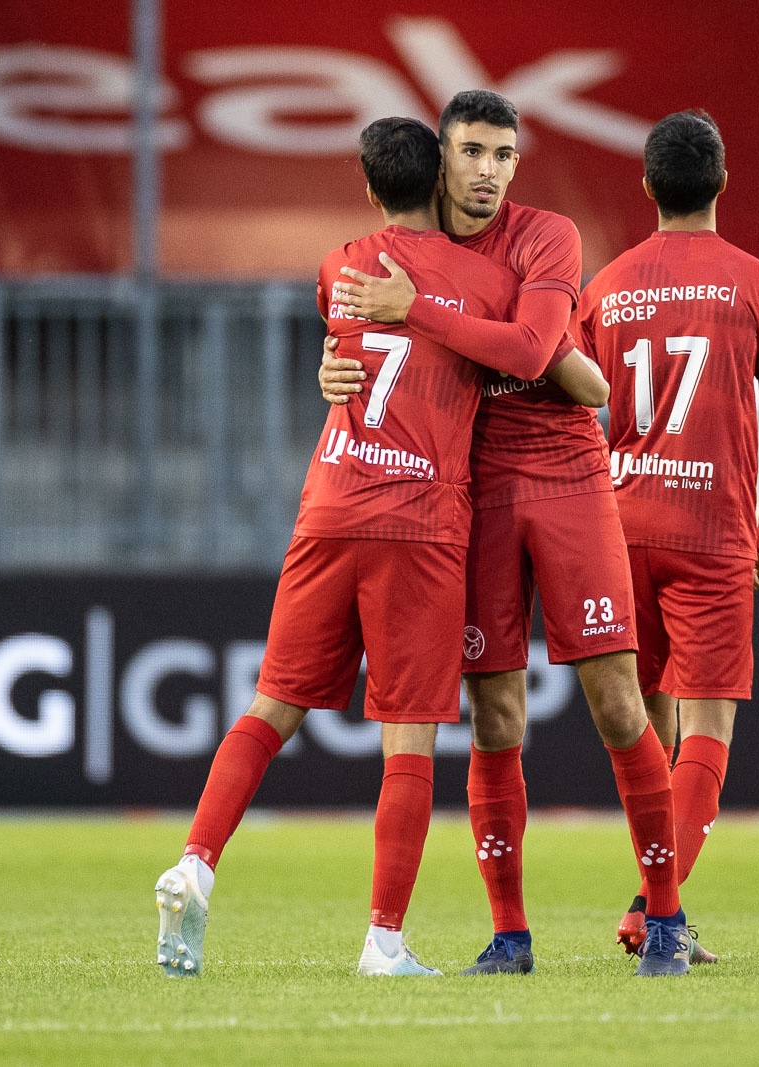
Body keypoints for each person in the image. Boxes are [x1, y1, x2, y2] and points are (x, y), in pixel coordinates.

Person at [152, 116, 559, 980]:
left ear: (370, 188)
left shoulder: (338, 263)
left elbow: (349, 346)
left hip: (332, 500)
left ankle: (195, 859)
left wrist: (332, 365)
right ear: (439, 178)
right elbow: (527, 354)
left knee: (271, 706)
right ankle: (383, 940)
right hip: (421, 517)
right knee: (408, 734)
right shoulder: (489, 281)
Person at [321, 90, 689, 977]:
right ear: (440, 158)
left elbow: (529, 352)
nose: (489, 171)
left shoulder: (547, 235)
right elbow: (370, 348)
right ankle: (511, 934)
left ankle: (666, 915)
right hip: (472, 490)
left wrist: (419, 309)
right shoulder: (405, 252)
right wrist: (331, 369)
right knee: (494, 716)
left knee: (616, 699)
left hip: (567, 478)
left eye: (504, 155)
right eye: (473, 152)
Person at [574, 110, 759, 953]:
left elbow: (575, 417)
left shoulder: (604, 288)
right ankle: (652, 910)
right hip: (711, 528)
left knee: (651, 727)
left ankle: (660, 908)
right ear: (723, 182)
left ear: (647, 186)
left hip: (618, 522)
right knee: (707, 730)